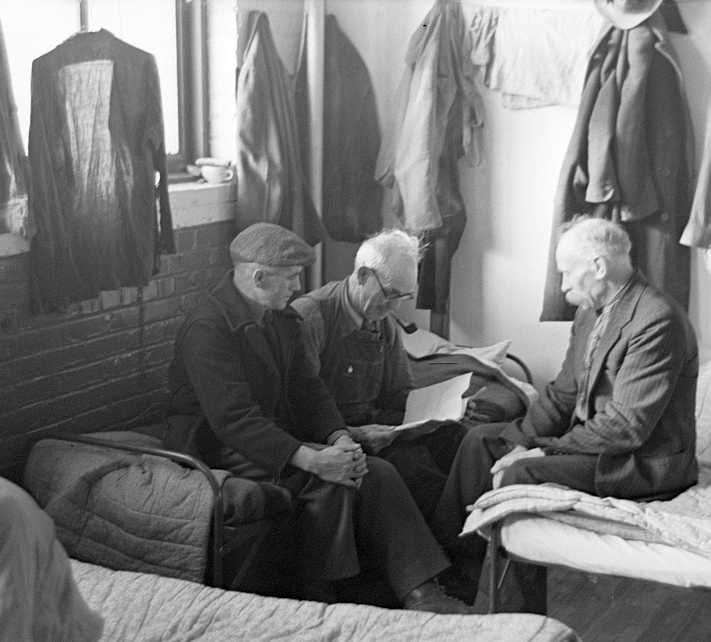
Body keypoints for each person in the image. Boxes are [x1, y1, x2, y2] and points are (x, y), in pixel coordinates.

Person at [168, 222, 476, 614]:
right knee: (334, 482)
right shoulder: (208, 328)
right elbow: (234, 420)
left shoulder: (279, 318)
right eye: (290, 278)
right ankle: (324, 599)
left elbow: (309, 391)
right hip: (217, 443)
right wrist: (312, 459)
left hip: (267, 434)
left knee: (371, 470)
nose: (297, 288)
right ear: (258, 277)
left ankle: (420, 592)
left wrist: (338, 439)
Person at [431, 216, 699, 596]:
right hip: (595, 446)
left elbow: (626, 426)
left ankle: (521, 619)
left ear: (598, 267)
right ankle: (453, 578)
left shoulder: (657, 319)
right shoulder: (589, 313)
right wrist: (519, 440)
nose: (563, 285)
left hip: (640, 461)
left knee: (519, 476)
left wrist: (541, 449)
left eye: (566, 273)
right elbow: (563, 395)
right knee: (479, 442)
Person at [291, 229, 468, 521]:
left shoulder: (382, 320)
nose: (395, 306)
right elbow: (298, 411)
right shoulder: (311, 318)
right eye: (390, 294)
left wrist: (447, 407)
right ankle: (449, 549)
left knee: (458, 438)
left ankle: (471, 538)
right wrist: (355, 434)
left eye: (405, 296)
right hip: (334, 439)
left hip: (377, 430)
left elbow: (400, 393)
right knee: (413, 468)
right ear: (362, 276)